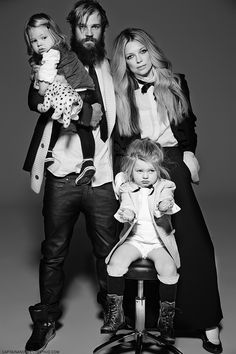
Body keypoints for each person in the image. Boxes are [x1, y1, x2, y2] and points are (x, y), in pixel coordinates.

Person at [111, 28, 223, 354]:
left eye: (141, 52)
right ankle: (159, 322)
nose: (137, 61)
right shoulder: (122, 93)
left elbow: (188, 122)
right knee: (144, 241)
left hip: (172, 162)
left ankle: (207, 322)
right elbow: (120, 141)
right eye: (129, 57)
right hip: (139, 165)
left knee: (193, 241)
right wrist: (125, 177)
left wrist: (189, 152)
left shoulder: (174, 81)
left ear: (151, 50)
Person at [23, 1, 119, 353]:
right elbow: (35, 98)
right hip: (62, 175)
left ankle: (114, 308)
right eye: (83, 27)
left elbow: (129, 115)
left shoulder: (114, 70)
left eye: (95, 27)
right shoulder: (52, 61)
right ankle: (46, 318)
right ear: (71, 31)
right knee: (53, 252)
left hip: (104, 175)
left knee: (108, 250)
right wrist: (48, 83)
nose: (89, 34)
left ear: (103, 29)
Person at [101, 138, 181, 344]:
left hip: (157, 243)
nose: (145, 176)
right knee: (115, 264)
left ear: (158, 170)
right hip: (135, 240)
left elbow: (167, 199)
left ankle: (166, 320)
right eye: (140, 171)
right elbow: (127, 205)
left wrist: (164, 205)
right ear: (131, 170)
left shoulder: (165, 185)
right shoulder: (127, 187)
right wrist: (126, 213)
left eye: (151, 171)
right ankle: (115, 314)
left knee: (169, 269)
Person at [24, 13, 98, 186]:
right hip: (81, 91)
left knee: (80, 125)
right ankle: (53, 154)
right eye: (34, 41)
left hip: (82, 92)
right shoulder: (53, 54)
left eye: (43, 37)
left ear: (55, 35)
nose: (39, 44)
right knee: (59, 119)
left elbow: (44, 84)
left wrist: (42, 83)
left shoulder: (53, 55)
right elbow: (33, 101)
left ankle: (86, 161)